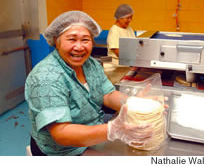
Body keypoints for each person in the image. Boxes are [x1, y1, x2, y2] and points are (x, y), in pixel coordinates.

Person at [24, 11, 153, 156]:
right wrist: (112, 130)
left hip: (92, 131)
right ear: (57, 41)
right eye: (72, 39)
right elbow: (61, 133)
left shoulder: (90, 64)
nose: (79, 47)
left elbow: (108, 94)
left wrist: (135, 104)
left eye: (85, 40)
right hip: (62, 150)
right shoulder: (46, 77)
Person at [105, 4, 136, 84]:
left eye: (131, 17)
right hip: (117, 69)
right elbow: (118, 52)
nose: (130, 20)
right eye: (128, 18)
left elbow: (135, 45)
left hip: (127, 67)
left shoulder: (129, 29)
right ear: (120, 18)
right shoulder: (114, 31)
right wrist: (134, 62)